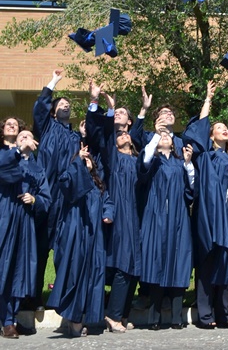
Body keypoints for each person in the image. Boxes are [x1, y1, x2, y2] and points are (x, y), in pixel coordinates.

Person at [183, 81, 228, 329]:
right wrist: (208, 99)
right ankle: (205, 314)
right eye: (218, 127)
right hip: (208, 217)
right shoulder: (204, 157)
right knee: (208, 265)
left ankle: (223, 312)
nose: (224, 130)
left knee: (225, 266)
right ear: (211, 135)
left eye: (226, 128)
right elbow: (198, 130)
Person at [85, 86, 142, 333]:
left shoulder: (138, 161)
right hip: (118, 215)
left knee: (133, 266)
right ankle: (113, 315)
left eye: (126, 135)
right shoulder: (113, 158)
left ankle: (122, 312)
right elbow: (105, 137)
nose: (123, 136)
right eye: (119, 136)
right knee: (122, 264)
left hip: (136, 217)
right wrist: (108, 108)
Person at [47, 147, 114, 337]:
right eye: (81, 159)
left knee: (93, 276)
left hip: (95, 237)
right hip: (75, 235)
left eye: (88, 159)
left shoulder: (99, 185)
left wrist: (108, 214)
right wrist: (77, 163)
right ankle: (75, 319)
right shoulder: (71, 181)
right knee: (75, 275)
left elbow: (108, 202)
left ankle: (83, 316)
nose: (86, 161)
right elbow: (65, 183)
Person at [32, 69, 82, 311]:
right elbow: (39, 107)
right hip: (45, 194)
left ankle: (61, 298)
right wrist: (53, 81)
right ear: (53, 111)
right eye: (61, 103)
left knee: (64, 250)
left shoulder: (74, 137)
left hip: (66, 199)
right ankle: (32, 297)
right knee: (40, 248)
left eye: (68, 104)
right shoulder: (46, 128)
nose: (66, 105)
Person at [138, 127, 195, 330]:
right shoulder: (152, 160)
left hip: (178, 219)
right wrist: (155, 134)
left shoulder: (181, 163)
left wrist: (188, 164)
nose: (164, 137)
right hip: (156, 217)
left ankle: (176, 317)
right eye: (160, 136)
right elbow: (144, 161)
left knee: (178, 263)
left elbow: (191, 188)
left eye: (168, 137)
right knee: (156, 263)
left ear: (174, 143)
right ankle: (153, 318)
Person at [0, 131, 50, 338]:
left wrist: (35, 199)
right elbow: (4, 170)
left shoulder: (37, 168)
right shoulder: (5, 156)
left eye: (29, 136)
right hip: (5, 217)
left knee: (21, 271)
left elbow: (47, 197)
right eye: (22, 136)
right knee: (5, 267)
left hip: (25, 222)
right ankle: (6, 319)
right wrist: (19, 151)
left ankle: (12, 317)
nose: (26, 138)